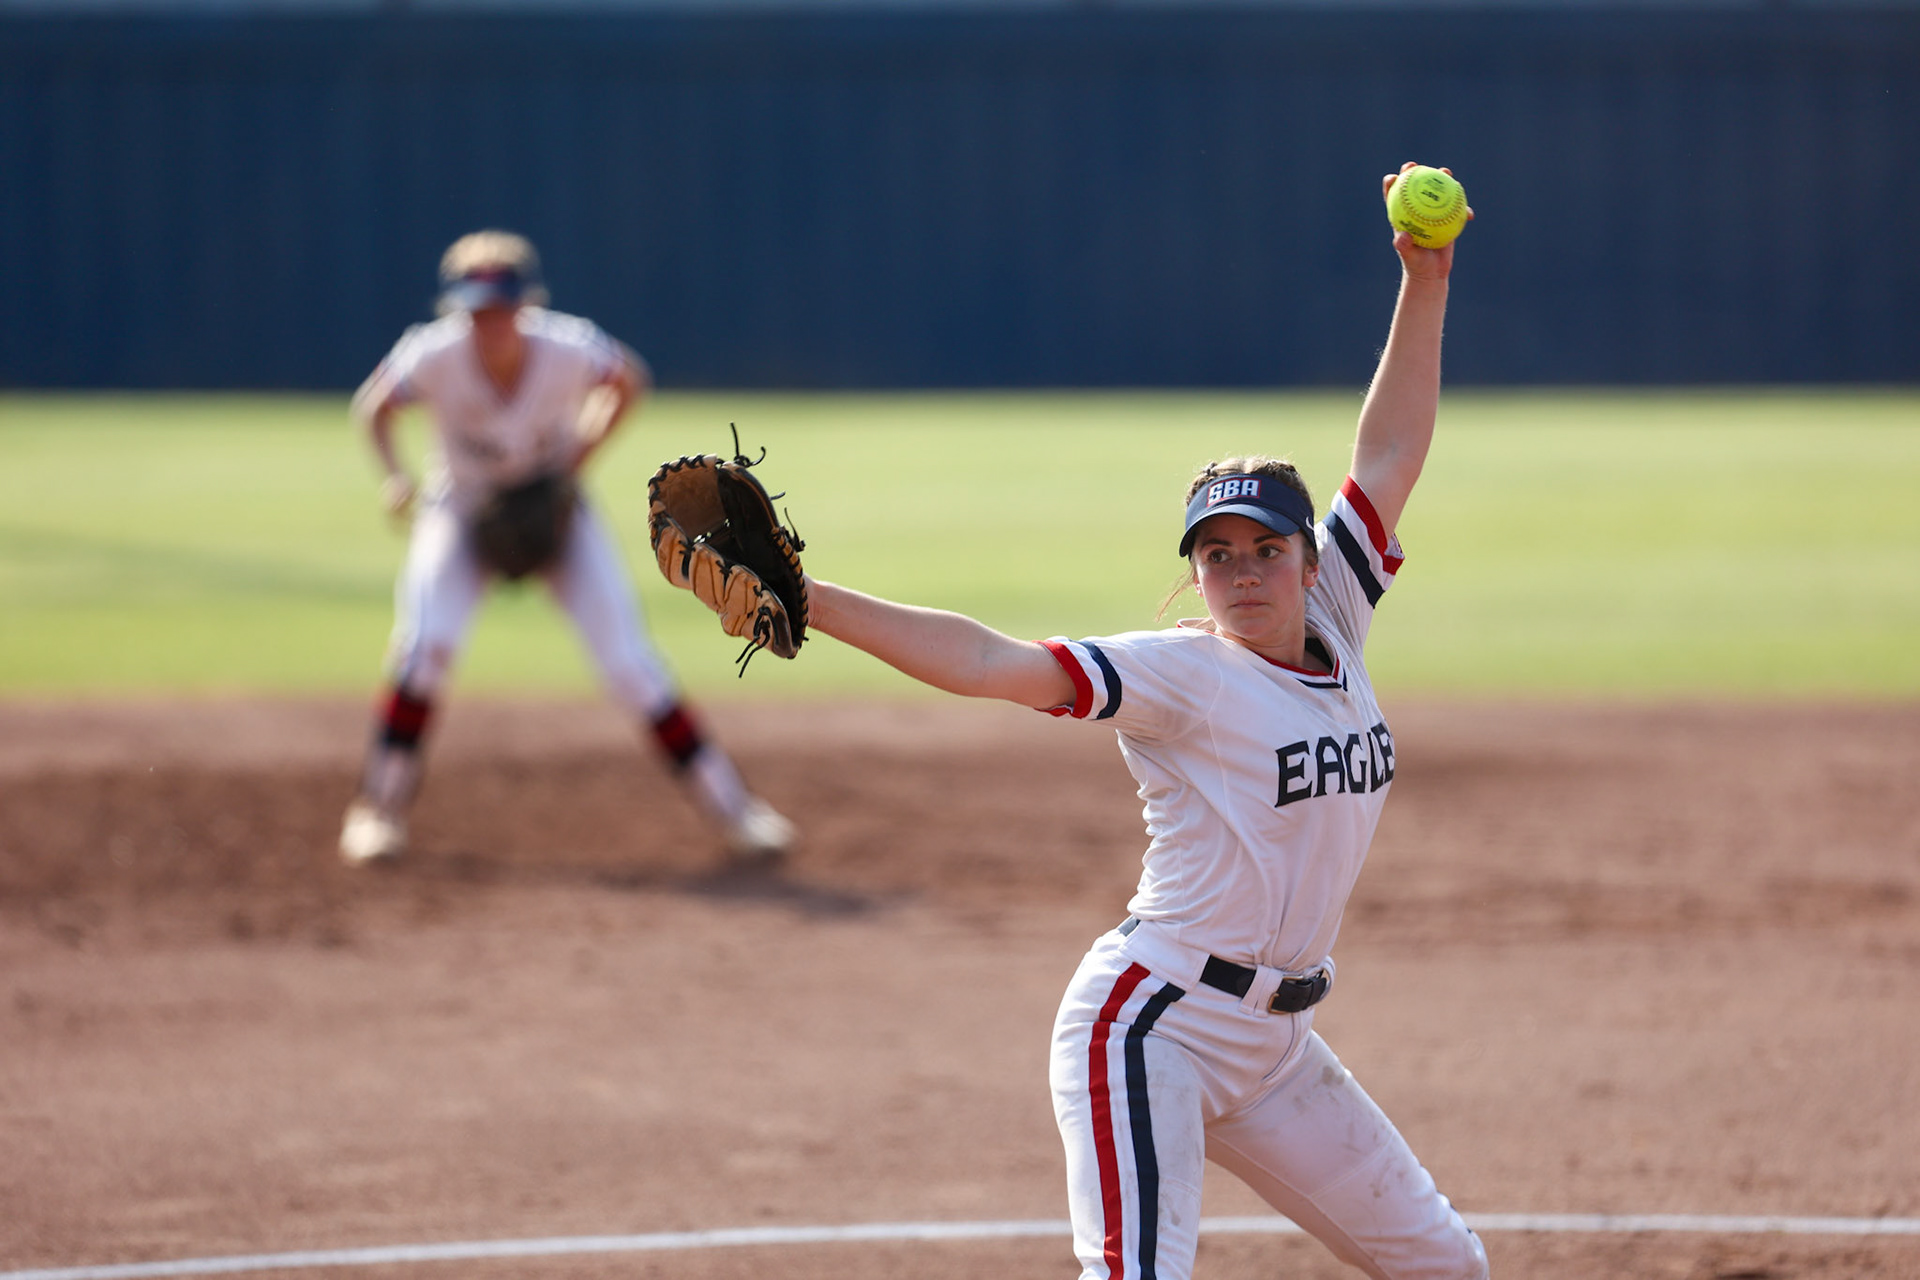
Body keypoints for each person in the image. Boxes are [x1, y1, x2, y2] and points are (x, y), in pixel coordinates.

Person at [799, 168, 1485, 1278]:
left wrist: (1427, 282)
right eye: (1217, 555)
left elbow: (1390, 456)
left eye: (1266, 548)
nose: (1243, 571)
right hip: (1152, 1027)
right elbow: (989, 661)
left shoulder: (1339, 617)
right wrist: (811, 599)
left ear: (1312, 562)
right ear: (1194, 574)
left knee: (1449, 1266)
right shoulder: (1182, 675)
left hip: (1276, 1046)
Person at [337, 229, 793, 867]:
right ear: (457, 309)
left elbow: (629, 379)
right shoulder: (432, 354)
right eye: (477, 310)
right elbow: (374, 406)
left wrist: (576, 459)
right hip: (463, 509)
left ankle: (736, 810)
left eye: (502, 308)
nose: (491, 323)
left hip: (556, 509)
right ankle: (376, 812)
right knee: (424, 648)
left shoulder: (566, 345)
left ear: (527, 304)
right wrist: (395, 476)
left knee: (631, 665)